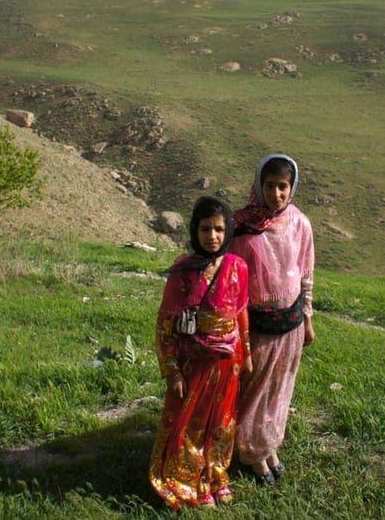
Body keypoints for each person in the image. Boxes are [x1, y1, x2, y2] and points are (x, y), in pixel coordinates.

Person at [149, 196, 253, 509]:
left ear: (228, 231)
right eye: (206, 229)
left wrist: (246, 352)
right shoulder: (183, 270)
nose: (213, 236)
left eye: (219, 229)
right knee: (189, 424)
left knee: (221, 424)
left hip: (228, 362)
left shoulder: (238, 267)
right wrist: (172, 370)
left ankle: (217, 475)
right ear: (196, 230)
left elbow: (241, 311)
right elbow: (165, 321)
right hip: (193, 361)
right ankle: (188, 479)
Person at [230, 153, 315, 485]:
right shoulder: (241, 230)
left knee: (280, 389)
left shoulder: (300, 224)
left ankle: (268, 446)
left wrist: (307, 317)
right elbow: (231, 285)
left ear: (291, 188)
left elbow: (306, 273)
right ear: (258, 186)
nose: (276, 194)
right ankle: (252, 454)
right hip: (256, 325)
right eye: (269, 186)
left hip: (291, 323)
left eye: (283, 187)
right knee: (253, 391)